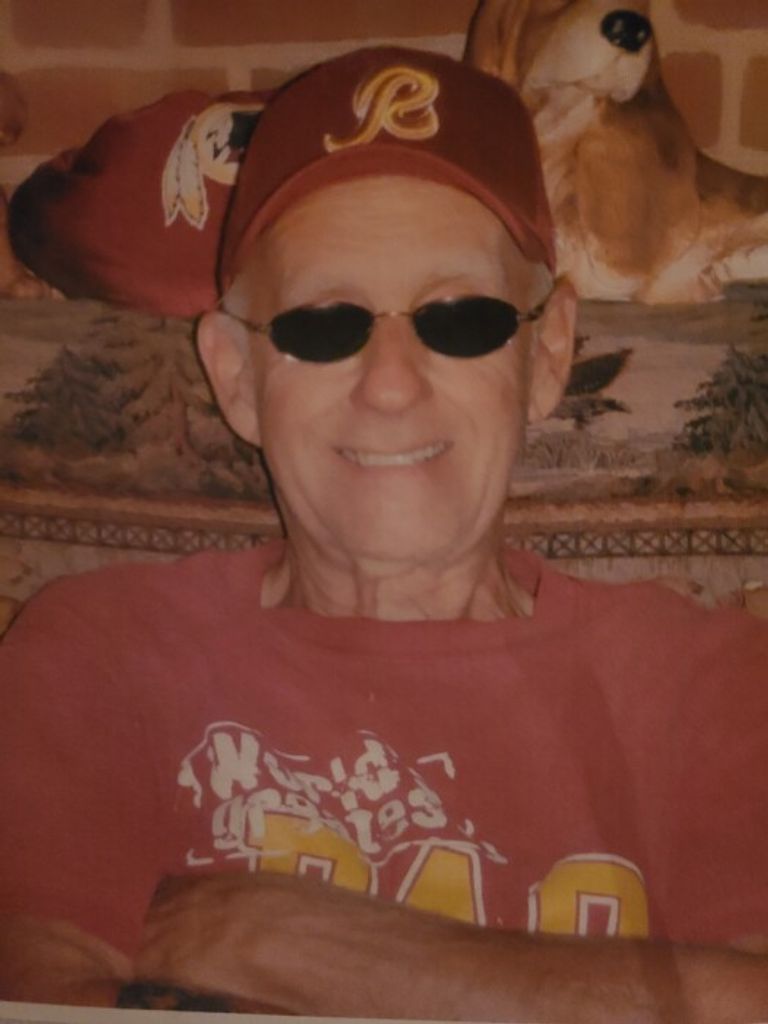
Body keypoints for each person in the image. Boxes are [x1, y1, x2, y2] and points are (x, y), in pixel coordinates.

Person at [1, 45, 767, 1022]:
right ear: (236, 375)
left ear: (547, 354)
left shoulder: (709, 682)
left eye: (461, 318)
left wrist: (273, 940)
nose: (392, 385)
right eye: (324, 323)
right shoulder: (100, 652)